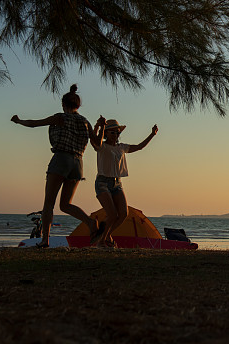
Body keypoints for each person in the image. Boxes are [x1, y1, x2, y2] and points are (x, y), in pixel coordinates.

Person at [11, 84, 101, 248]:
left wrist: (19, 121)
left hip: (61, 159)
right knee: (65, 204)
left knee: (49, 204)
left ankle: (45, 240)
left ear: (63, 104)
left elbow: (34, 123)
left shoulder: (60, 117)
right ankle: (90, 222)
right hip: (78, 163)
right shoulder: (85, 122)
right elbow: (98, 144)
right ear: (78, 105)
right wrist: (100, 127)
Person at [89, 117, 158, 247]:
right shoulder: (101, 146)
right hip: (103, 183)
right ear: (106, 133)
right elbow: (93, 140)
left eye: (117, 132)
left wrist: (152, 134)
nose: (115, 135)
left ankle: (106, 235)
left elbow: (139, 147)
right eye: (112, 132)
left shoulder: (121, 147)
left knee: (123, 214)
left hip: (117, 184)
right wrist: (98, 126)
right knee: (112, 214)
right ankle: (102, 241)